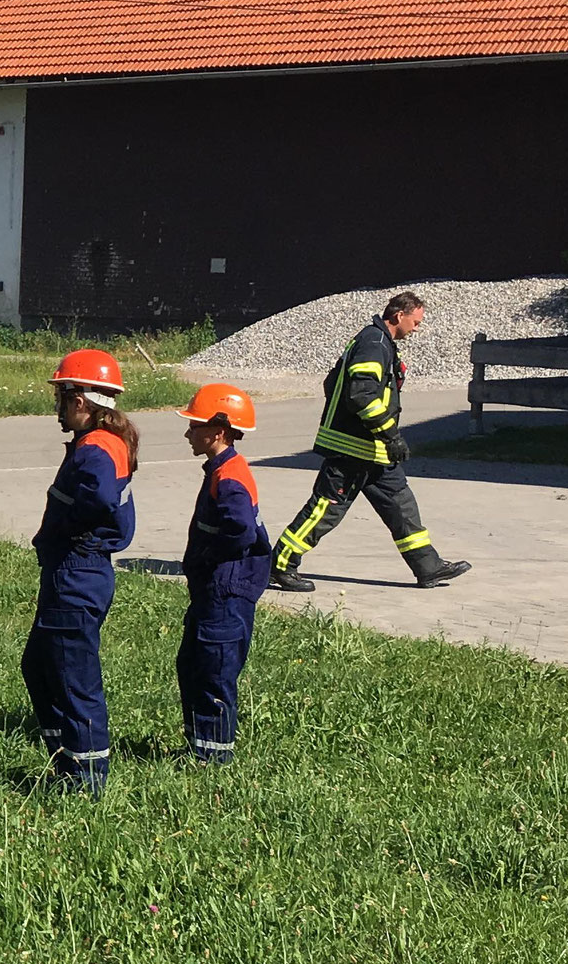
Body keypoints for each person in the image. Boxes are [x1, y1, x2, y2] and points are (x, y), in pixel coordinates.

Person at [268, 290, 472, 591]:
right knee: (326, 509)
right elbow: (361, 394)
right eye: (415, 323)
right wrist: (390, 435)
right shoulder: (373, 343)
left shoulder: (379, 342)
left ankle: (428, 567)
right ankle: (280, 565)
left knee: (402, 505)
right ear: (399, 315)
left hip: (373, 451)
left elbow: (332, 383)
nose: (416, 329)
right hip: (352, 451)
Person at [22, 350, 137, 794]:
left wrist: (69, 531)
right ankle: (64, 757)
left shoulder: (97, 449)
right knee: (40, 666)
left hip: (78, 571)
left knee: (73, 677)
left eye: (62, 396)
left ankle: (86, 779)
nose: (58, 407)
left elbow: (101, 500)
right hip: (72, 571)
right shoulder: (104, 441)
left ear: (81, 401)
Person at [176, 384, 273, 764]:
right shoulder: (225, 469)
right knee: (194, 665)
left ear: (217, 431)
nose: (188, 434)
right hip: (216, 588)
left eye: (195, 426)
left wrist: (206, 557)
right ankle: (199, 744)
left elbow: (241, 531)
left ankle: (213, 758)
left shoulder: (230, 477)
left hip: (225, 591)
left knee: (213, 670)